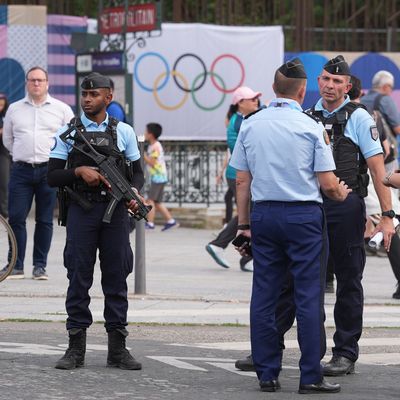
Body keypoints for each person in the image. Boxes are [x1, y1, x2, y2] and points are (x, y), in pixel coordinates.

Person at [235, 55, 396, 377]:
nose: (330, 85)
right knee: (294, 282)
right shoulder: (307, 117)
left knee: (349, 280)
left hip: (346, 207)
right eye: (325, 79)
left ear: (348, 87)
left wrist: (387, 215)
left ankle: (345, 352)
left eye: (337, 81)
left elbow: (379, 171)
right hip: (310, 207)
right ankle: (269, 347)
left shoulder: (360, 118)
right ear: (315, 83)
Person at [231, 58, 350, 394]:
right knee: (308, 296)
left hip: (265, 215)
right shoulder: (311, 126)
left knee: (264, 294)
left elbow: (242, 179)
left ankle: (267, 373)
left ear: (273, 89)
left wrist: (243, 224)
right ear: (302, 91)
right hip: (303, 217)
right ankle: (310, 375)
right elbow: (327, 184)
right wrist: (341, 193)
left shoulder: (252, 124)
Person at [47, 72, 145, 371]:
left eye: (94, 95)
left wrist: (134, 192)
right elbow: (52, 175)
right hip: (82, 211)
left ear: (108, 97)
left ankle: (118, 348)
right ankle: (75, 347)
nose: (88, 99)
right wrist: (78, 173)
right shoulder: (69, 132)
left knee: (116, 277)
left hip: (115, 213)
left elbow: (137, 172)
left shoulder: (124, 131)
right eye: (85, 95)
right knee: (78, 277)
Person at [0, 67, 74, 280]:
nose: (36, 84)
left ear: (47, 83)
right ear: (26, 83)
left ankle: (39, 266)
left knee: (44, 220)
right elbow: (8, 140)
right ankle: (16, 265)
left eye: (40, 80)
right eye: (32, 80)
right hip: (21, 170)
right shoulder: (14, 109)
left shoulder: (61, 109)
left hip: (49, 171)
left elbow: (72, 138)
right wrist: (21, 154)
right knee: (15, 218)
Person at [205, 86, 261, 272]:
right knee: (247, 214)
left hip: (242, 174)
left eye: (256, 98)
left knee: (248, 214)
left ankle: (240, 255)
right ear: (240, 103)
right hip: (237, 174)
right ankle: (222, 246)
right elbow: (239, 148)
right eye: (251, 99)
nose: (256, 101)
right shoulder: (237, 122)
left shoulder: (245, 119)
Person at [143, 122, 178, 231]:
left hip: (158, 177)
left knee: (150, 200)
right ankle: (171, 221)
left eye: (146, 131)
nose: (144, 133)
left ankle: (150, 223)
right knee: (157, 201)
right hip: (158, 176)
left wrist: (142, 155)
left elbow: (152, 162)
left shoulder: (155, 147)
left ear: (150, 134)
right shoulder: (153, 146)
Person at [0, 92, 10, 218]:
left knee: (3, 182)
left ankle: (3, 211)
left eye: (2, 105)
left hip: (3, 153)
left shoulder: (7, 115)